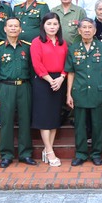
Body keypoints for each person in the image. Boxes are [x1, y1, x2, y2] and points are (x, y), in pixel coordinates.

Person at [0, 17, 37, 168]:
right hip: (6, 88)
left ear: (20, 29)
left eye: (16, 26)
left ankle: (25, 154)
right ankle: (6, 155)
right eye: (10, 26)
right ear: (5, 29)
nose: (13, 29)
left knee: (25, 121)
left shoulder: (27, 48)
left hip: (24, 87)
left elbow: (31, 70)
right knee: (6, 122)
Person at [66, 18, 102, 166]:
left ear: (95, 30)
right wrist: (68, 94)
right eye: (83, 27)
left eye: (89, 27)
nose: (86, 30)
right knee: (80, 125)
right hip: (79, 91)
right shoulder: (73, 48)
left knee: (97, 124)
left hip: (98, 91)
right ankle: (81, 154)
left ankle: (97, 154)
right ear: (79, 31)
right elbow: (70, 73)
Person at [30, 13, 69, 167]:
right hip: (43, 82)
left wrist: (61, 78)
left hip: (59, 81)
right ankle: (49, 150)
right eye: (49, 24)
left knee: (54, 118)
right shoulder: (37, 42)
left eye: (55, 24)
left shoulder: (62, 43)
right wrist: (49, 79)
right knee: (45, 119)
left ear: (59, 26)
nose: (52, 27)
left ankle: (48, 149)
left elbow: (67, 62)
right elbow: (36, 63)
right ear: (43, 26)